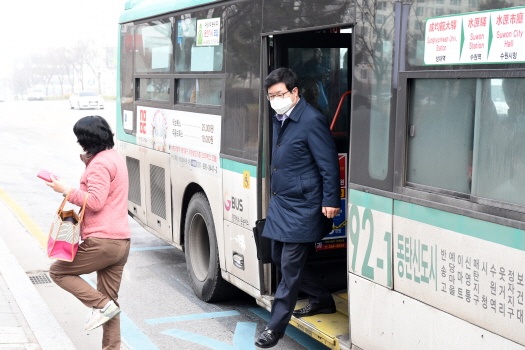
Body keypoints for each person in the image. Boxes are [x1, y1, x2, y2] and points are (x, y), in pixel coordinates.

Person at [255, 68, 340, 348]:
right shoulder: (280, 118)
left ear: (294, 92)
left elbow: (328, 165)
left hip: (305, 205)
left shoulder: (312, 120)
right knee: (279, 258)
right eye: (271, 96)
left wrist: (331, 200)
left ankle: (274, 328)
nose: (275, 100)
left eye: (280, 95)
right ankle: (322, 299)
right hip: (283, 202)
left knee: (289, 268)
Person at [46, 115, 130, 350]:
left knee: (58, 271)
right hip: (121, 242)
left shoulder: (100, 164)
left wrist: (65, 190)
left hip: (102, 242)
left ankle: (101, 305)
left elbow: (95, 201)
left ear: (86, 139)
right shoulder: (113, 158)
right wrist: (87, 163)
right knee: (111, 304)